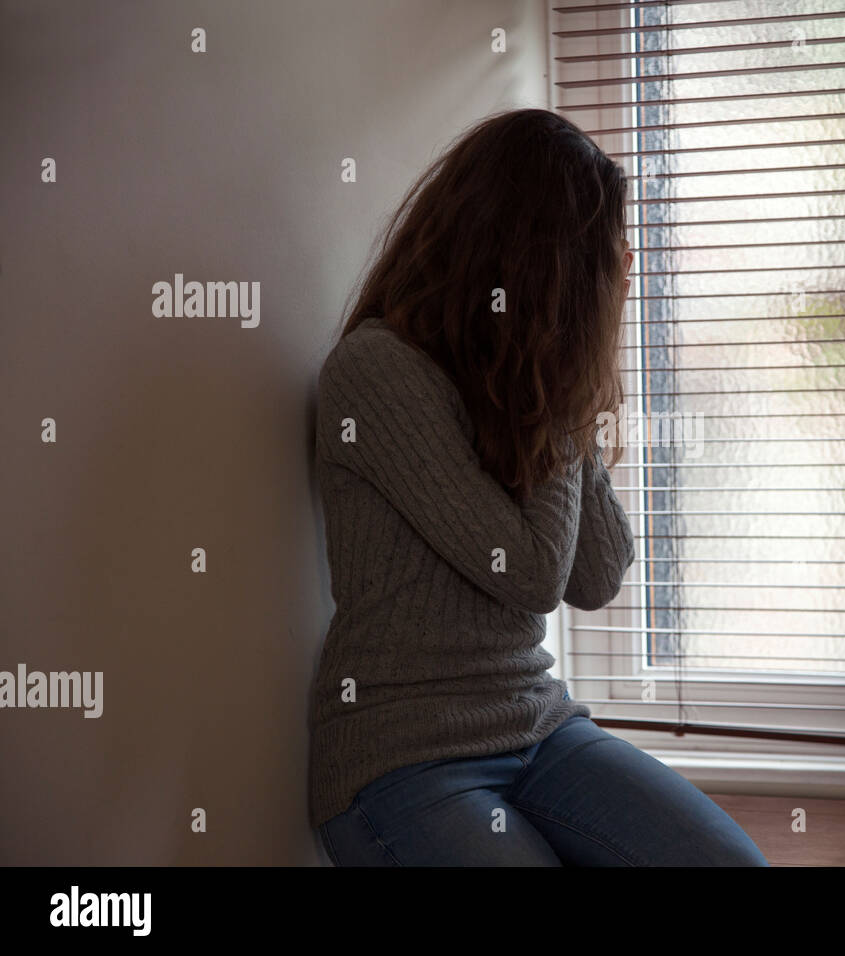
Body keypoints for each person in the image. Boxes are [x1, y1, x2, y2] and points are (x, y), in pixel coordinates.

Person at [309, 108, 768, 866]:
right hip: (402, 758)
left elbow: (597, 575)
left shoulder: (512, 377)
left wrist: (573, 370)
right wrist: (568, 383)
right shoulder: (378, 370)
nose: (614, 272)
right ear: (537, 263)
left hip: (539, 731)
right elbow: (523, 573)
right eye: (595, 260)